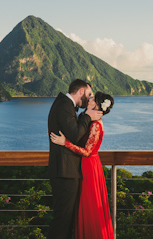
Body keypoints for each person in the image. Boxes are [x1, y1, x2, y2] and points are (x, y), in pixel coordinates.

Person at [50, 91, 115, 239]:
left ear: (97, 105)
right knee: (82, 207)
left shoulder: (96, 125)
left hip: (89, 167)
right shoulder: (88, 120)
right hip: (83, 165)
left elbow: (87, 151)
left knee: (89, 206)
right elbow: (75, 133)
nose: (89, 99)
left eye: (92, 98)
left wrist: (65, 143)